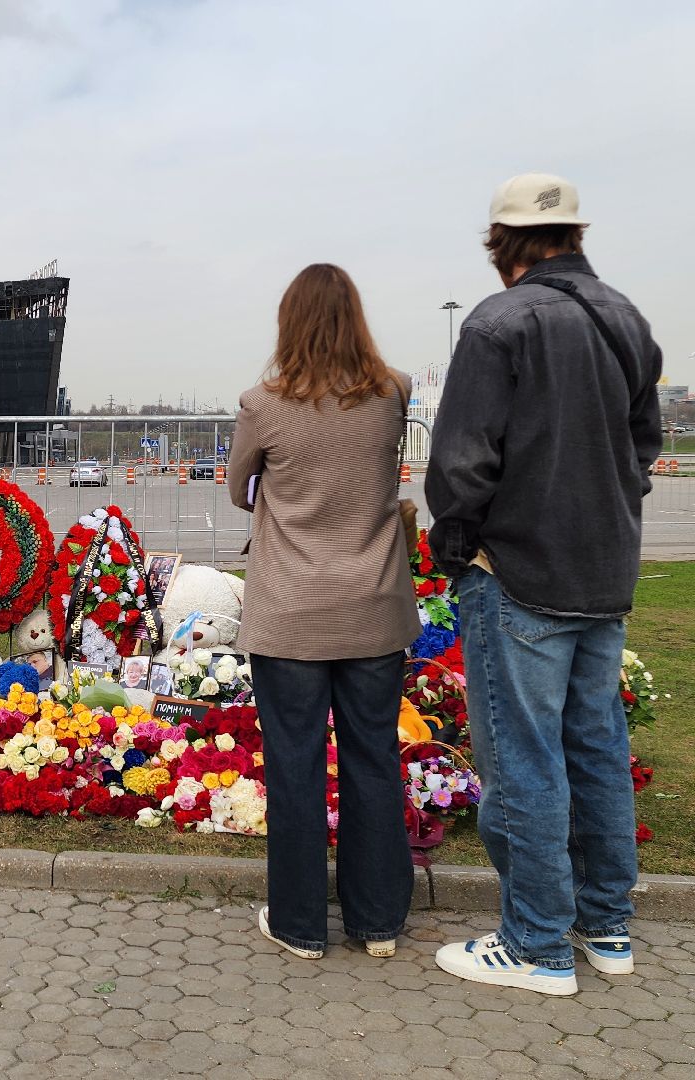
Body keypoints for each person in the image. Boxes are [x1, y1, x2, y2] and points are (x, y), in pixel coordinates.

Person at [425, 174, 662, 996]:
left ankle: (534, 944)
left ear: (502, 246)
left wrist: (458, 546)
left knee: (523, 759)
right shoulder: (625, 316)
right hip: (603, 572)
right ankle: (606, 928)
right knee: (595, 748)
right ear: (574, 235)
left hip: (519, 571)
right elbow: (644, 446)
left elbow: (461, 458)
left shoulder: (499, 322)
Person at [229, 263, 419, 962]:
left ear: (289, 323)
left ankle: (302, 924)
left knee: (295, 765)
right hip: (373, 606)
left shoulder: (261, 403)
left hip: (289, 613)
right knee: (374, 759)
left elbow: (237, 489)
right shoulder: (392, 392)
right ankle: (378, 924)